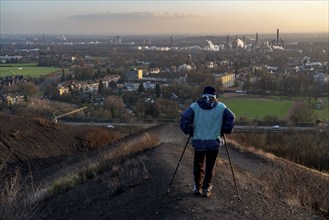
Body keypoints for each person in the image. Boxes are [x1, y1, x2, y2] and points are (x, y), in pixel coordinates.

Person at [180, 86, 235, 197]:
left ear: (203, 94)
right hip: (214, 142)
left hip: (198, 141)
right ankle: (206, 188)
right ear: (214, 95)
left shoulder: (195, 106)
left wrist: (190, 131)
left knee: (198, 165)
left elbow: (184, 118)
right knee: (210, 166)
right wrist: (225, 130)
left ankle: (197, 186)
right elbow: (231, 117)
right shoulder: (221, 107)